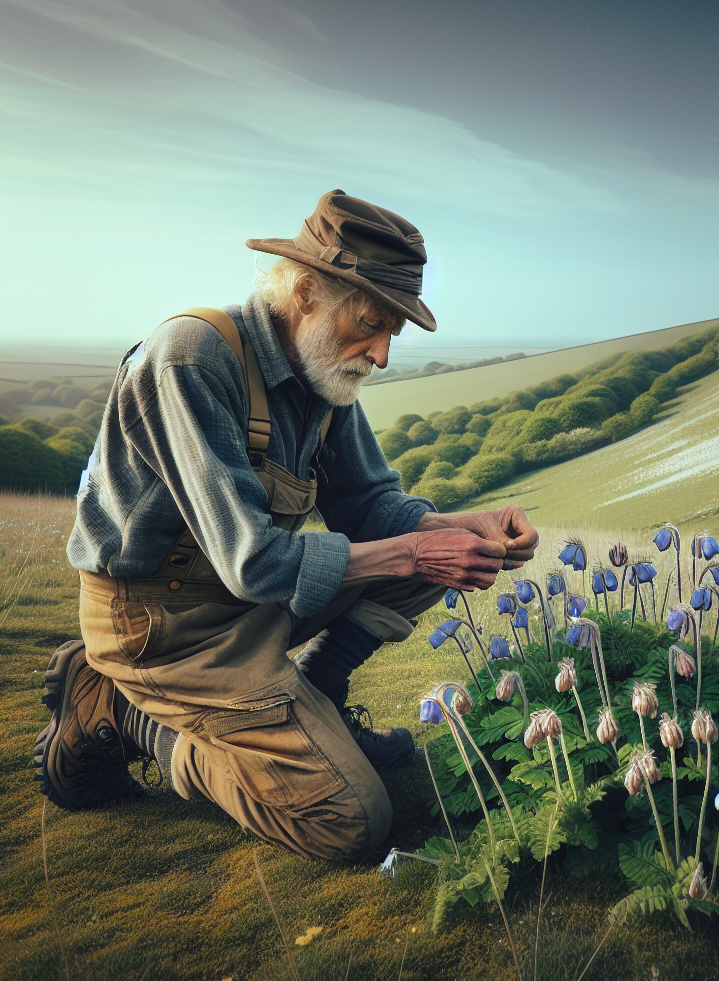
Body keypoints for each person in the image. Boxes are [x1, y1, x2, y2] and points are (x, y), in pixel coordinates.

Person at [34, 189, 539, 860]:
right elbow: (253, 560)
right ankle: (129, 718)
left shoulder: (323, 371)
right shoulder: (192, 358)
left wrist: (467, 527)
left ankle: (320, 696)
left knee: (430, 554)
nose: (382, 355)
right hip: (164, 630)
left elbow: (372, 508)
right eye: (372, 323)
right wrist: (416, 551)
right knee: (349, 822)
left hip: (252, 606)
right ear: (305, 293)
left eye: (393, 333)